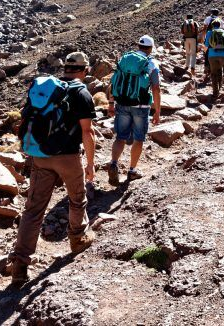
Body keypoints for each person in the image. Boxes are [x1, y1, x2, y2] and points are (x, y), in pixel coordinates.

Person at [10, 52, 97, 285]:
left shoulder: (48, 89)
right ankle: (77, 239)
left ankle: (19, 265)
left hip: (40, 157)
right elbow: (87, 133)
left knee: (33, 210)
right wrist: (90, 163)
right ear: (85, 70)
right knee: (77, 199)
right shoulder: (81, 93)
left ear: (66, 69)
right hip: (68, 157)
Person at [107, 35, 161, 185]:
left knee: (120, 137)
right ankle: (132, 171)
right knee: (138, 138)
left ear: (138, 46)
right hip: (141, 106)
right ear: (150, 48)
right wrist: (157, 110)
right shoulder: (151, 63)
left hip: (122, 103)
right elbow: (156, 88)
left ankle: (113, 163)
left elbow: (114, 81)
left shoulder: (125, 59)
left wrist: (111, 103)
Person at [204, 19, 224, 99]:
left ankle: (215, 92)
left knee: (213, 73)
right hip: (222, 55)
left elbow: (206, 44)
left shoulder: (209, 32)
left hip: (212, 55)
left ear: (212, 25)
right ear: (219, 25)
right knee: (220, 70)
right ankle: (220, 87)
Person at [202, 9, 224, 82]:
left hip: (209, 38)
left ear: (212, 13)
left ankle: (207, 68)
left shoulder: (208, 18)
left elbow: (204, 27)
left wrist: (204, 37)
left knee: (207, 53)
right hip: (218, 41)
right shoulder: (220, 20)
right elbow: (222, 29)